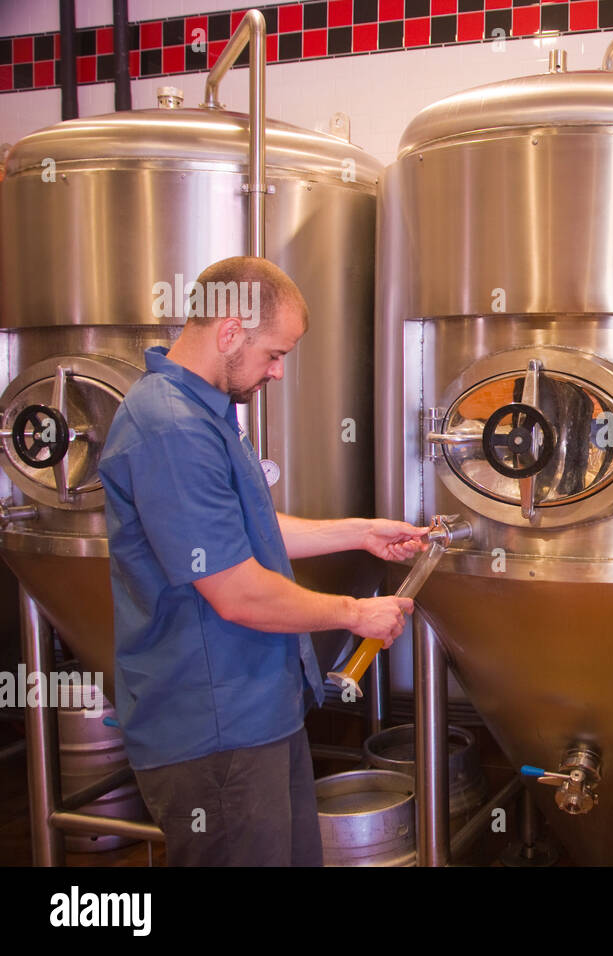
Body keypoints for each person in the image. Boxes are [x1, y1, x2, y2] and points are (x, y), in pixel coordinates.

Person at [98, 256, 424, 866]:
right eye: (275, 354)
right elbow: (237, 590)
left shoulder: (204, 412)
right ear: (228, 333)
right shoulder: (171, 428)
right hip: (215, 732)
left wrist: (360, 532)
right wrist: (356, 613)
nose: (277, 372)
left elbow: (245, 531)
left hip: (255, 715)